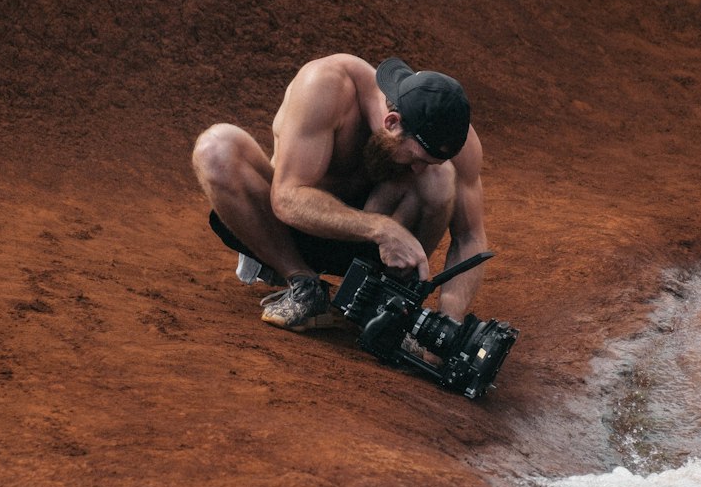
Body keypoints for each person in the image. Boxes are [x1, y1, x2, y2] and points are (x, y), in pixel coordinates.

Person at [192, 54, 488, 331]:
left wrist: (450, 320)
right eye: (418, 159)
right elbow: (286, 197)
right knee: (216, 148)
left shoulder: (450, 137)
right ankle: (304, 285)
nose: (421, 169)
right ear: (392, 123)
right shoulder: (328, 85)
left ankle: (384, 299)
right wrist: (381, 229)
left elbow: (470, 237)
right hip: (290, 231)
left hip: (372, 251)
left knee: (439, 180)